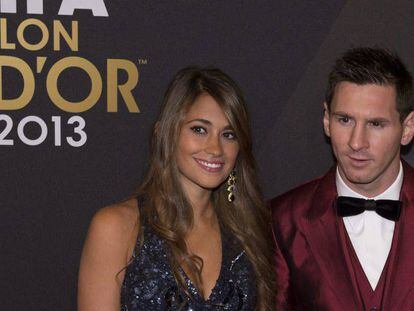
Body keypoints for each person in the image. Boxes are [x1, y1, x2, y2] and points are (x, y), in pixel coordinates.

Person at [78, 67, 275, 310]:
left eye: (229, 134)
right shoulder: (116, 227)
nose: (215, 148)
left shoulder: (247, 231)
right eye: (199, 129)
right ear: (165, 133)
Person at [270, 47, 414, 310]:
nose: (357, 142)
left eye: (376, 124)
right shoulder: (282, 220)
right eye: (345, 120)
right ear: (326, 120)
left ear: (407, 129)